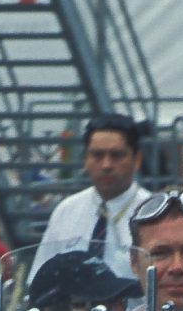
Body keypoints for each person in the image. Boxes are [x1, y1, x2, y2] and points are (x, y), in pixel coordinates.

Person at [35, 113, 151, 278]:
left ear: (137, 159)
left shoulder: (152, 213)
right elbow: (39, 279)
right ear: (85, 159)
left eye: (117, 155)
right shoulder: (66, 211)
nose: (106, 165)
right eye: (97, 155)